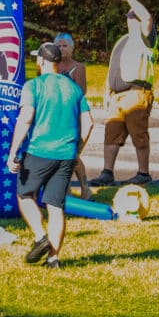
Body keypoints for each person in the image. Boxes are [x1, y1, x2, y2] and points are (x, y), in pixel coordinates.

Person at [7, 42, 93, 269]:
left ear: (42, 61)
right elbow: (89, 123)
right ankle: (53, 259)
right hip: (66, 155)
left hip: (38, 151)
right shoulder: (73, 88)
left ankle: (39, 236)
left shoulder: (33, 86)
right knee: (56, 207)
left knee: (24, 195)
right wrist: (77, 150)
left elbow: (26, 118)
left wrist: (13, 151)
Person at [89, 0, 156, 187]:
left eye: (133, 15)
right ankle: (107, 172)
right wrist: (107, 92)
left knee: (139, 135)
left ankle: (143, 173)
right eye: (129, 15)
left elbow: (147, 17)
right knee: (111, 134)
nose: (130, 18)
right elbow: (113, 67)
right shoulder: (123, 40)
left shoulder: (146, 38)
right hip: (117, 96)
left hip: (136, 92)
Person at [54, 32, 91, 199]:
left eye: (65, 46)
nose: (61, 49)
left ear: (72, 48)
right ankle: (66, 190)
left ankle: (85, 189)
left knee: (73, 155)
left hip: (73, 118)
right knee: (62, 157)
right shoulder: (50, 66)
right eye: (59, 46)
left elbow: (81, 93)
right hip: (55, 117)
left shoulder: (78, 67)